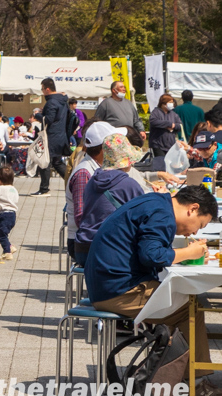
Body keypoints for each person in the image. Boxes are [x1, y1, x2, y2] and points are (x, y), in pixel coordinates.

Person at [87, 186, 220, 396]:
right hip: (118, 291)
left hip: (107, 284)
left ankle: (174, 376)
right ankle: (195, 384)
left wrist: (184, 255)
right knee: (190, 309)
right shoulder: (163, 215)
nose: (195, 232)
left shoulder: (158, 203)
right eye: (200, 225)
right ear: (193, 209)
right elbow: (152, 256)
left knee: (184, 302)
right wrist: (188, 252)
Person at [74, 132, 149, 266]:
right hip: (107, 251)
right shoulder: (129, 184)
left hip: (82, 248)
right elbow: (145, 216)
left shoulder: (92, 180)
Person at [66, 122, 110, 259]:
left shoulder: (97, 167)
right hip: (83, 243)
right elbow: (81, 217)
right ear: (104, 148)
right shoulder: (84, 173)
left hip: (94, 238)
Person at [148, 93, 184, 158]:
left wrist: (173, 126)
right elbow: (153, 121)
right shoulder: (156, 112)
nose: (172, 104)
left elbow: (180, 125)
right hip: (158, 144)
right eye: (170, 102)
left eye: (172, 102)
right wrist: (168, 124)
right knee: (161, 165)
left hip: (170, 145)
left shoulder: (173, 114)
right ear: (163, 103)